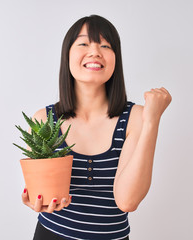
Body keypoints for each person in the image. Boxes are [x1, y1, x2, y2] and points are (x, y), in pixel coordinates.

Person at [22, 14, 172, 240]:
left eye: (105, 45)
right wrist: (37, 199)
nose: (95, 52)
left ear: (115, 58)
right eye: (83, 43)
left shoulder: (136, 118)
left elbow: (127, 201)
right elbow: (40, 190)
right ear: (67, 55)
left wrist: (152, 120)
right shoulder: (44, 119)